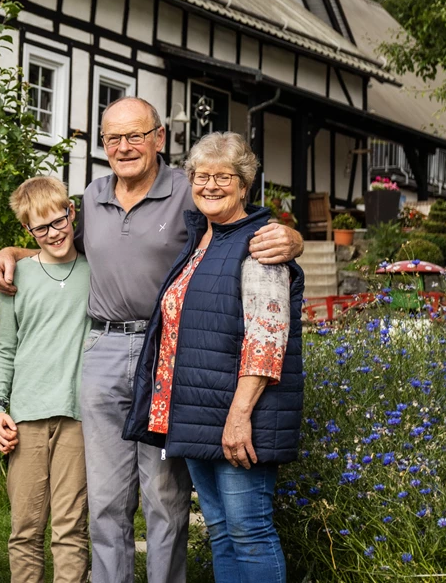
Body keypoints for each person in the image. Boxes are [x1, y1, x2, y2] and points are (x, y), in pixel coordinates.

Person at [0, 97, 302, 583]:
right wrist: (11, 250)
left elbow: (240, 229)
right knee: (106, 497)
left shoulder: (189, 190)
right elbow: (60, 247)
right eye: (113, 138)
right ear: (103, 144)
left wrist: (293, 239)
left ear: (158, 138)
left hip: (164, 355)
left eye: (136, 135)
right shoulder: (92, 196)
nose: (124, 146)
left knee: (164, 497)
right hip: (102, 351)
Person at [123, 132, 303, 583]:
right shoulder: (200, 239)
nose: (211, 185)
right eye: (202, 176)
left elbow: (266, 341)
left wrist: (240, 415)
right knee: (221, 531)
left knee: (249, 531)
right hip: (198, 412)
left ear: (245, 186)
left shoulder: (260, 245)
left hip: (240, 414)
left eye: (225, 177)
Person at [0, 176, 90, 583]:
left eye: (59, 220)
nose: (53, 233)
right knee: (25, 529)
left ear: (72, 213)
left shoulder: (96, 269)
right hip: (26, 415)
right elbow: (5, 348)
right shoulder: (16, 278)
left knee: (70, 528)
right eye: (40, 228)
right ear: (27, 230)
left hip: (78, 415)